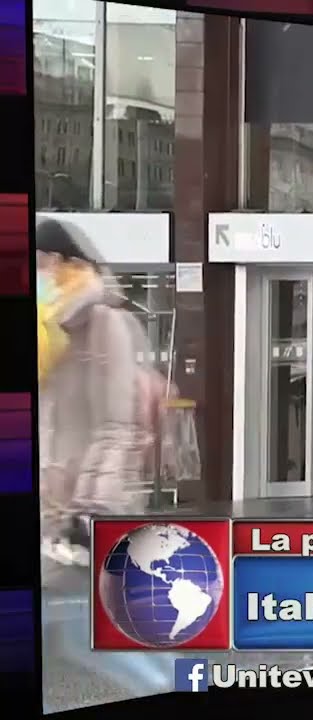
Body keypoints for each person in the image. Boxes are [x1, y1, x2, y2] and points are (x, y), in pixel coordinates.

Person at [37, 218, 157, 567]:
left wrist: (93, 509)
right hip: (54, 513)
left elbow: (116, 426)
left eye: (40, 262)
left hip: (87, 516)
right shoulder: (45, 326)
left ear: (61, 260)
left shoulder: (104, 320)